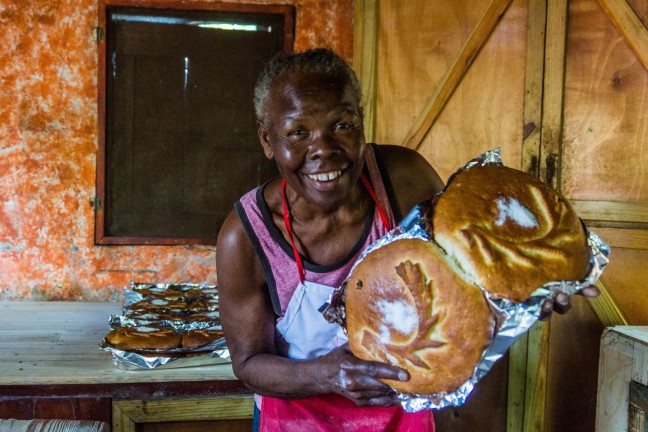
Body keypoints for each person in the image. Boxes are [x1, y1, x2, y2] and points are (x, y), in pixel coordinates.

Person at [215, 48, 598, 432]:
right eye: (298, 132)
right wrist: (327, 375)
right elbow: (248, 364)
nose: (324, 149)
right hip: (298, 422)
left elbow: (466, 282)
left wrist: (527, 294)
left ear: (362, 123)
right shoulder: (247, 236)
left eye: (343, 126)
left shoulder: (402, 179)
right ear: (267, 140)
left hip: (400, 420)